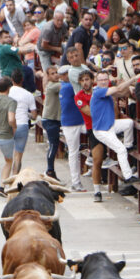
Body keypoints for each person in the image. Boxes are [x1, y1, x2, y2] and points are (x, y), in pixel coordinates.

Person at [90, 71, 138, 184]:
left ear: (108, 80)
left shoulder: (106, 91)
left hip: (110, 125)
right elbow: (118, 89)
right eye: (100, 80)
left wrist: (129, 88)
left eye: (105, 79)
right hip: (102, 130)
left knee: (129, 123)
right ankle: (128, 177)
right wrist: (133, 79)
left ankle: (128, 145)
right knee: (120, 150)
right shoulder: (98, 91)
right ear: (96, 81)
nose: (103, 82)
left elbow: (121, 93)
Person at [57, 65, 86, 194]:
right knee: (74, 152)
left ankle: (76, 181)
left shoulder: (64, 86)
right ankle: (75, 182)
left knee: (74, 152)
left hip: (75, 121)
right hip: (72, 123)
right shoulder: (69, 87)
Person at [8, 68, 36, 174]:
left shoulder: (7, 92)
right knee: (18, 155)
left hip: (9, 124)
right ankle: (15, 176)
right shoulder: (28, 94)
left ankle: (6, 176)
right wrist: (27, 114)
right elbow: (34, 115)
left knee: (8, 155)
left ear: (11, 79)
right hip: (22, 124)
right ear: (22, 80)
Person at [40, 66, 62, 180]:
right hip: (50, 120)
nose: (56, 75)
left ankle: (50, 170)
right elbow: (67, 85)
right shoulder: (53, 86)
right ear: (48, 76)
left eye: (57, 72)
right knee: (53, 146)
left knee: (54, 145)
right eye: (52, 73)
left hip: (54, 119)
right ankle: (49, 170)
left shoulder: (55, 85)